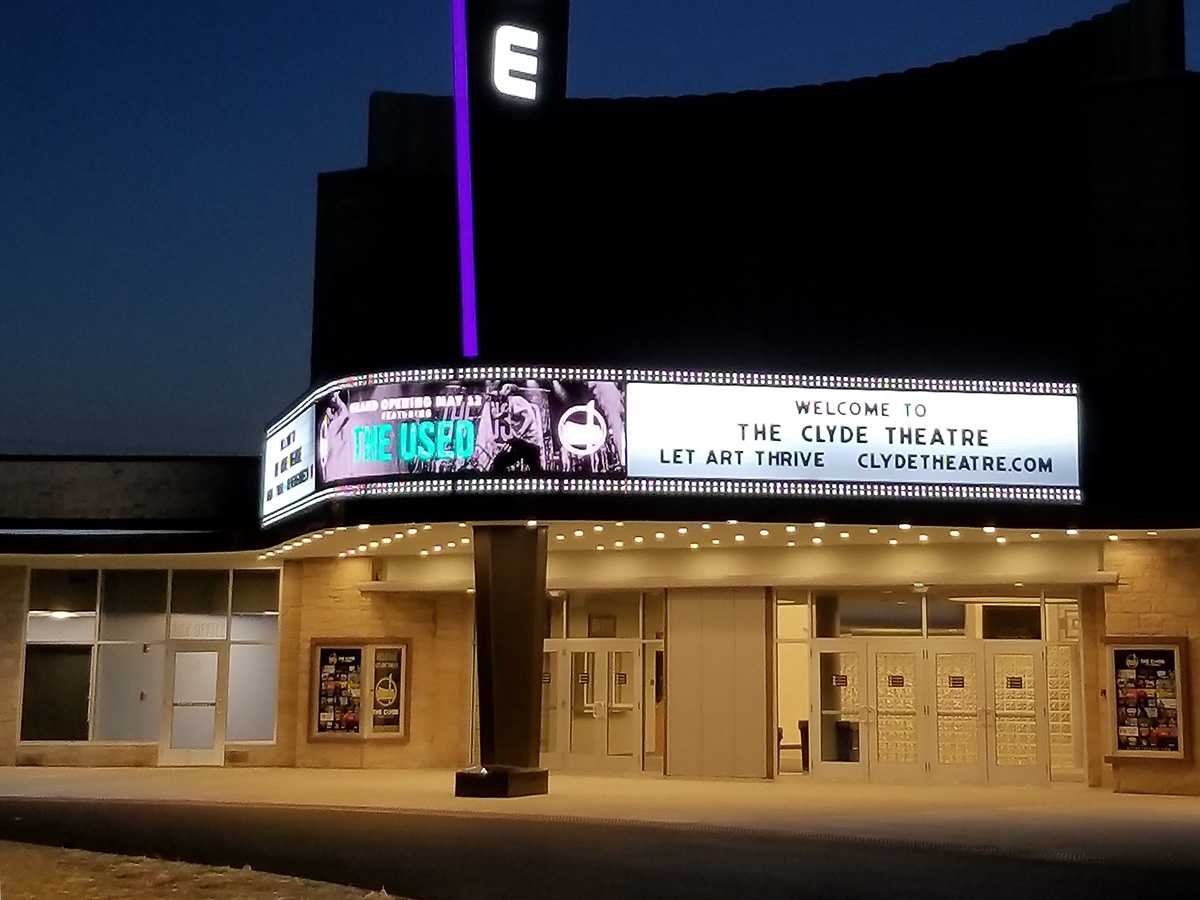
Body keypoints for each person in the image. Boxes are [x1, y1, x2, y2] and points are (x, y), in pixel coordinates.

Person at [487, 383, 544, 473]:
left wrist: (520, 433)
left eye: (503, 390)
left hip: (528, 441)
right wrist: (492, 403)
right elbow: (497, 415)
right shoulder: (510, 403)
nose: (501, 393)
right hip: (524, 442)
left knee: (499, 462)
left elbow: (529, 418)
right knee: (535, 469)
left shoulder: (516, 400)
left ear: (509, 391)